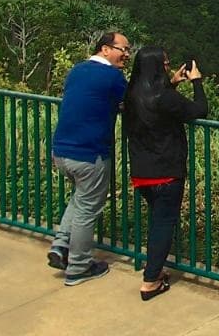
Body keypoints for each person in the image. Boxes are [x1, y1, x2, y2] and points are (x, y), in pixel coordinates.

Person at [123, 47, 208, 301]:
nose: (169, 67)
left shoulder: (132, 95)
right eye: (166, 64)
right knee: (163, 225)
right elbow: (199, 111)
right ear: (157, 67)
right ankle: (151, 281)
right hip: (166, 173)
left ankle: (154, 271)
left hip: (141, 172)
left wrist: (171, 85)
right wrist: (197, 82)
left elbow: (157, 104)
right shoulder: (165, 99)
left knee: (158, 221)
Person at [48, 31, 130, 285]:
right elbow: (137, 101)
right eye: (122, 49)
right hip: (89, 154)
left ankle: (61, 245)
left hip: (61, 151)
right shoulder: (112, 77)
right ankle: (79, 266)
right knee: (87, 209)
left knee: (80, 198)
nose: (126, 55)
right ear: (105, 49)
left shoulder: (77, 70)